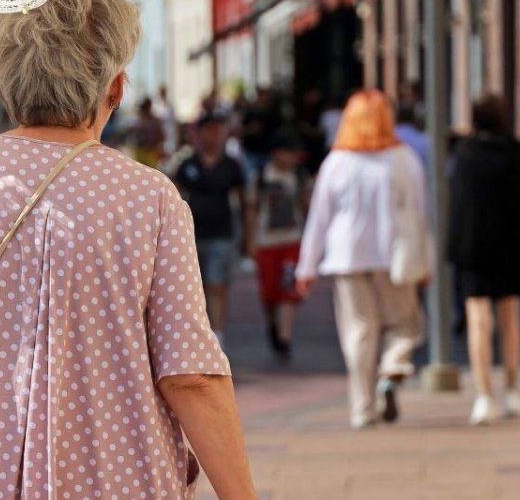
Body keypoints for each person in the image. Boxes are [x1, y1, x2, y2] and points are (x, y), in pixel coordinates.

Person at [0, 0, 256, 499]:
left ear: (7, 86)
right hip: (116, 483)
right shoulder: (148, 197)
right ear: (115, 88)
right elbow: (190, 377)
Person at [295, 90, 427, 429]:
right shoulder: (405, 158)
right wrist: (424, 258)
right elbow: (419, 213)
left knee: (358, 333)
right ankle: (393, 368)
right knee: (404, 324)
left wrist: (307, 266)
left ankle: (362, 409)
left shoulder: (336, 163)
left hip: (346, 258)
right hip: (393, 258)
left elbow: (319, 219)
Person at [448, 95, 520, 425]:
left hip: (474, 250)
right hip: (512, 250)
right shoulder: (519, 153)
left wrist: (454, 249)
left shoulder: (466, 155)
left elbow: (457, 208)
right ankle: (512, 390)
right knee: (510, 319)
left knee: (479, 320)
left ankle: (483, 396)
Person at [173, 112, 251, 348]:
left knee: (218, 284)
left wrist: (249, 236)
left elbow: (245, 201)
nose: (215, 135)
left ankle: (217, 335)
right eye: (210, 130)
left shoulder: (232, 165)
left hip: (222, 233)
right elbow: (173, 198)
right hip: (191, 234)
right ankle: (199, 332)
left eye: (219, 130)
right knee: (195, 287)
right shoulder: (188, 165)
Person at [249, 133, 311, 360]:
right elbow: (252, 209)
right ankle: (274, 328)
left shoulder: (300, 177)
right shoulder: (261, 177)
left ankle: (285, 337)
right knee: (269, 294)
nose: (293, 158)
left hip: (292, 241)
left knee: (288, 289)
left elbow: (306, 206)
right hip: (266, 242)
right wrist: (250, 240)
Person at [131, 96, 167, 168]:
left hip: (151, 150)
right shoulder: (139, 120)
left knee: (149, 171)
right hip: (141, 149)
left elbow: (162, 136)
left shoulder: (153, 120)